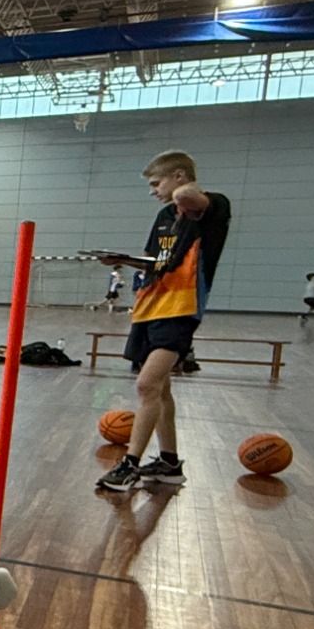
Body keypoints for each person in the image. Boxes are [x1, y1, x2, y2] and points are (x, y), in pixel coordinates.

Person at [94, 150, 232, 493]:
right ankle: (169, 463)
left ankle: (130, 464)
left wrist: (181, 191)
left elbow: (188, 197)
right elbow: (157, 261)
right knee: (160, 389)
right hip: (150, 307)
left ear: (179, 176)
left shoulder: (213, 206)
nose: (153, 191)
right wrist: (123, 260)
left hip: (181, 309)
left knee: (146, 385)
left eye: (157, 183)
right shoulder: (163, 216)